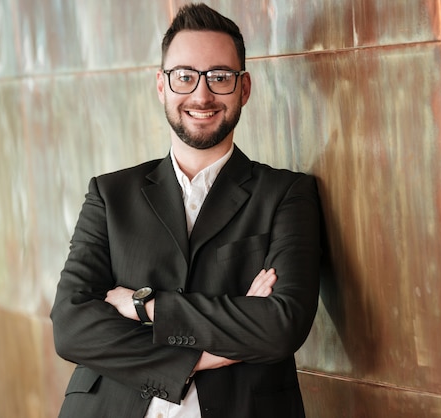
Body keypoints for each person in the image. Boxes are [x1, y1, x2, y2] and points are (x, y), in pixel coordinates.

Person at [50, 3, 321, 417]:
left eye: (219, 77)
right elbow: (71, 328)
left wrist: (145, 305)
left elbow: (280, 326)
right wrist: (210, 353)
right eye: (185, 77)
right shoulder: (110, 194)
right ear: (161, 85)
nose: (201, 94)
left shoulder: (286, 194)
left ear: (244, 88)